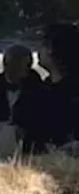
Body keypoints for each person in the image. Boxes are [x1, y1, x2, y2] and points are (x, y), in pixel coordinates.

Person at [29, 23, 79, 153]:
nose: (39, 51)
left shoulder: (70, 94)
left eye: (42, 45)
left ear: (51, 49)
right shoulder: (44, 87)